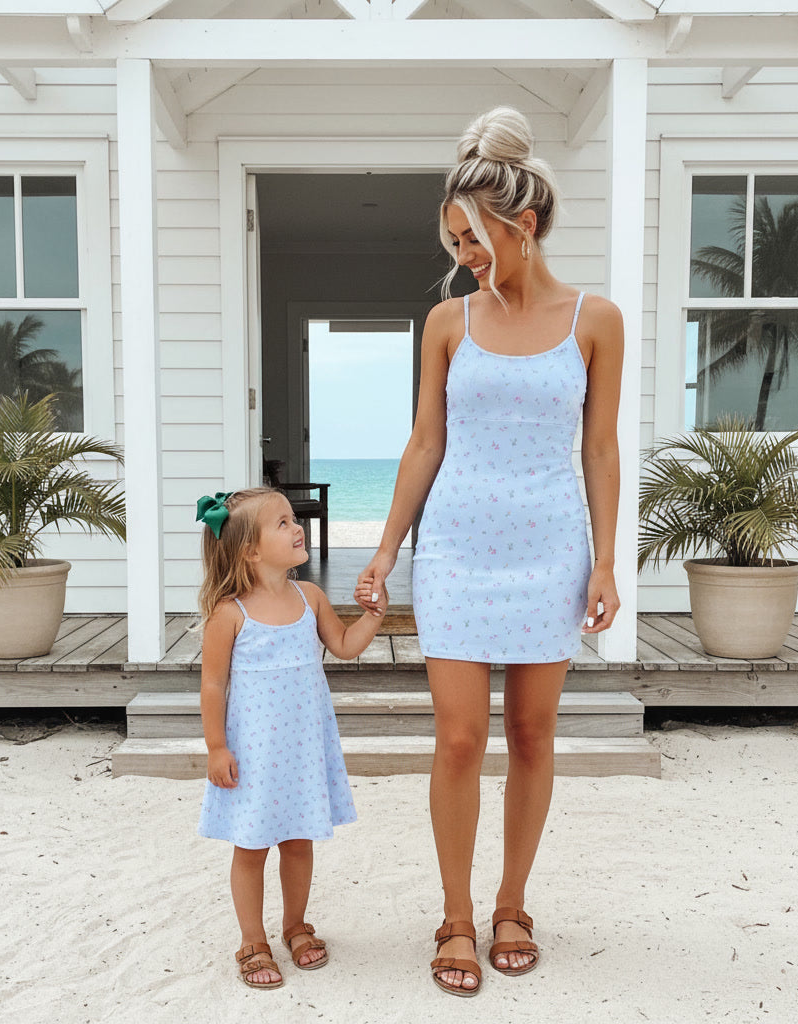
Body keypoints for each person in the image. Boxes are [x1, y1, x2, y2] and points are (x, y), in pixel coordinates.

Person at [355, 106, 623, 996]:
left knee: (533, 734)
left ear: (525, 225)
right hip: (457, 552)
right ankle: (456, 916)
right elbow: (425, 442)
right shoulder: (447, 323)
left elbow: (599, 450)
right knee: (461, 739)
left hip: (551, 551)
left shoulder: (596, 320)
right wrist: (386, 549)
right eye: (455, 239)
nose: (464, 253)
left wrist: (605, 562)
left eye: (474, 237)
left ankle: (513, 905)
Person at [196, 487, 388, 990]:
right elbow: (212, 685)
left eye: (292, 518)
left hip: (302, 750)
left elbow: (343, 645)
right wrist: (216, 747)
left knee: (299, 841)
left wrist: (373, 616)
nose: (296, 526)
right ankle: (252, 939)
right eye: (281, 523)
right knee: (251, 846)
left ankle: (295, 925)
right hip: (254, 755)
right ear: (250, 551)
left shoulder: (310, 598)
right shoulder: (229, 613)